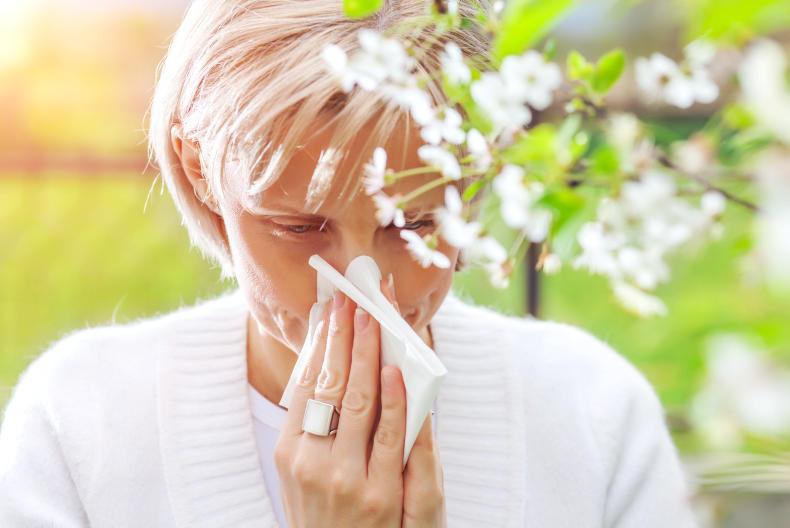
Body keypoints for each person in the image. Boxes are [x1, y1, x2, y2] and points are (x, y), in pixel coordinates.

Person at [0, 1, 700, 526]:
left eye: (415, 223)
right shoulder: (82, 424)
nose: (370, 291)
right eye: (299, 225)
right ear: (201, 171)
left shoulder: (593, 414)